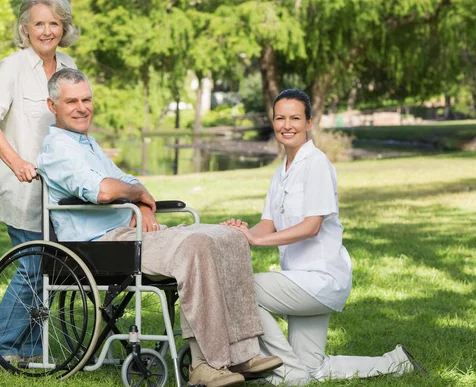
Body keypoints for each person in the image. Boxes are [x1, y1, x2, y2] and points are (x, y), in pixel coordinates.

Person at [36, 68, 283, 387]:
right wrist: (137, 196)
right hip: (101, 245)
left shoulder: (86, 143)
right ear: (52, 105)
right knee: (196, 246)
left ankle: (242, 353)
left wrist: (138, 200)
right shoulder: (57, 149)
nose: (82, 107)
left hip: (129, 234)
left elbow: (125, 180)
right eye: (72, 101)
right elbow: (105, 191)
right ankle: (206, 364)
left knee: (231, 236)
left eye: (87, 99)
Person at [221, 89, 427, 385]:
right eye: (280, 118)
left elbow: (311, 227)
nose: (287, 125)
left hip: (320, 279)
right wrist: (242, 234)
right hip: (299, 279)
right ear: (273, 121)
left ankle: (285, 369)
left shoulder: (316, 163)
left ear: (309, 123)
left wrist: (255, 241)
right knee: (314, 367)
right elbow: (268, 223)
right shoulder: (281, 173)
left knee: (241, 287)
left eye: (295, 118)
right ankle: (396, 363)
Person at [0, 0, 78, 361]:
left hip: (59, 190)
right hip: (23, 187)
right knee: (34, 266)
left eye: (54, 23)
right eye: (39, 24)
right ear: (25, 29)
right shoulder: (13, 68)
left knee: (52, 266)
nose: (47, 31)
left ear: (63, 27)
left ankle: (31, 345)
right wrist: (15, 160)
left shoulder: (68, 67)